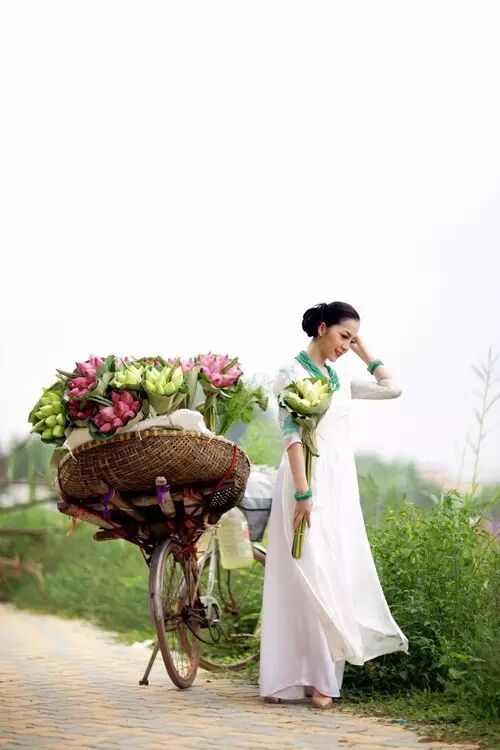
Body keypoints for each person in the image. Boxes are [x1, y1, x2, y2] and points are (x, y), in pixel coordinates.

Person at [259, 301, 409, 709]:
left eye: (352, 338)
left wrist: (364, 351)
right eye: (344, 335)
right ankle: (290, 676)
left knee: (333, 570)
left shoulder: (338, 378)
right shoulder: (289, 374)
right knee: (304, 571)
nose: (347, 344)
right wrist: (303, 493)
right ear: (322, 328)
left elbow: (391, 388)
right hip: (305, 481)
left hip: (339, 485)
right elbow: (291, 435)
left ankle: (323, 677)